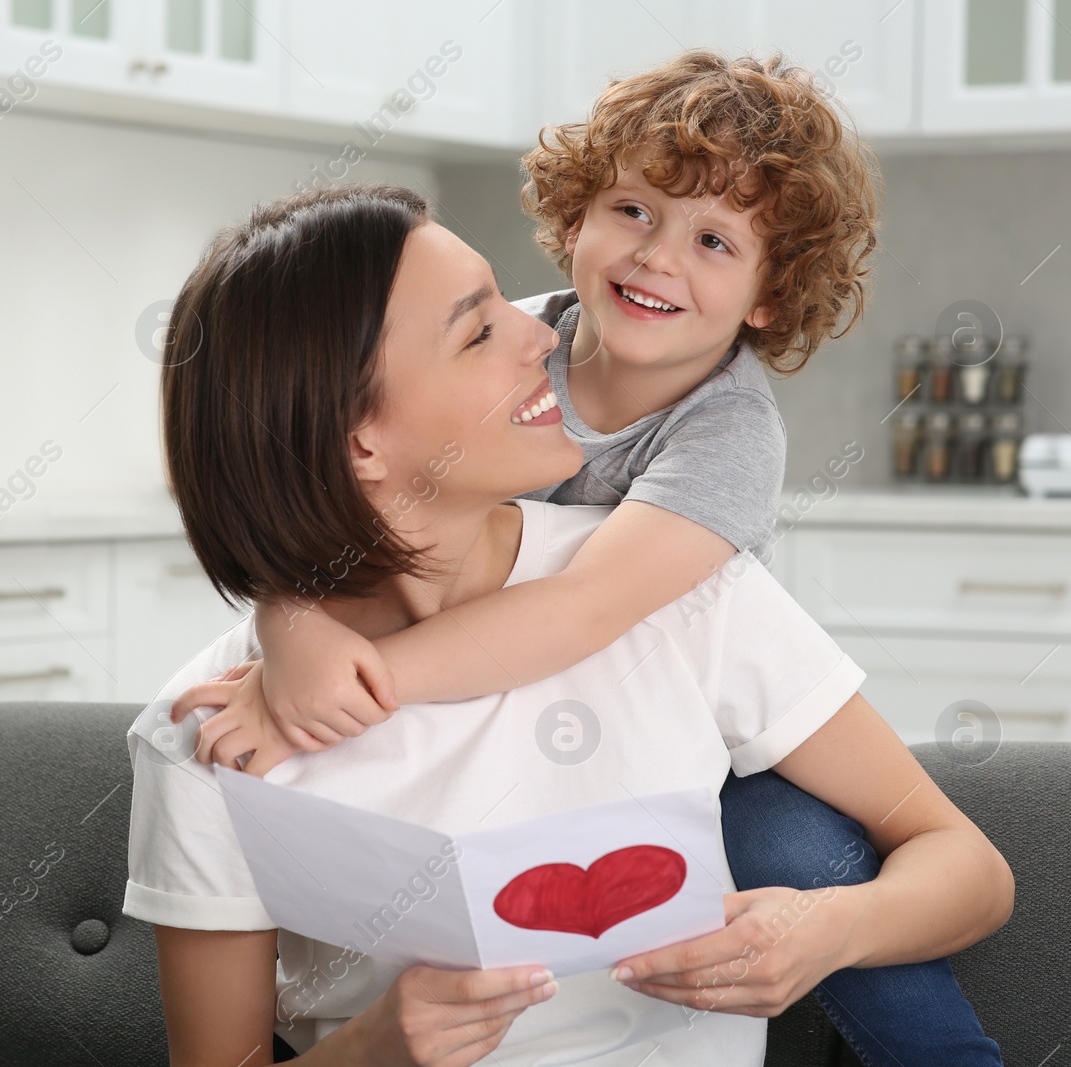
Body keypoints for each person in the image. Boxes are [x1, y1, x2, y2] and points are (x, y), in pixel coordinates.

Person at [176, 51, 1004, 1064]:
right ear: (575, 220)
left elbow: (582, 608)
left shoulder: (724, 438)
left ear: (768, 298)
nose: (657, 256)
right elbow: (328, 479)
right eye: (633, 210)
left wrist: (363, 681)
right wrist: (290, 622)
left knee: (793, 848)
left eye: (711, 239)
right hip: (547, 743)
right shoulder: (521, 336)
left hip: (718, 741)